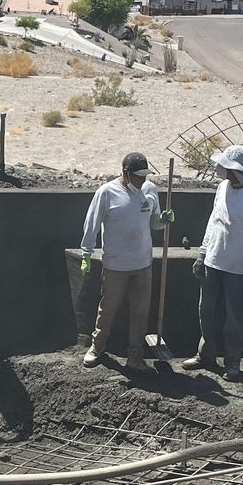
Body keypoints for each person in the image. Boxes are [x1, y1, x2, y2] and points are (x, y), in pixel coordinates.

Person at [78, 151, 172, 372]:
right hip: (116, 266)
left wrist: (163, 220)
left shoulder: (148, 191)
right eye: (138, 176)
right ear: (126, 173)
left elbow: (154, 223)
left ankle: (135, 357)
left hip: (142, 265)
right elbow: (91, 223)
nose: (143, 180)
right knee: (108, 309)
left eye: (145, 176)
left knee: (140, 312)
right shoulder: (107, 193)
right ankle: (97, 347)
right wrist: (86, 253)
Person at [186, 144, 243, 382]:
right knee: (206, 311)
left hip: (238, 267)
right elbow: (214, 222)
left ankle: (232, 362)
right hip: (214, 261)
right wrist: (202, 254)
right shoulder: (222, 187)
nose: (223, 171)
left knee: (234, 318)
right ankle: (206, 354)